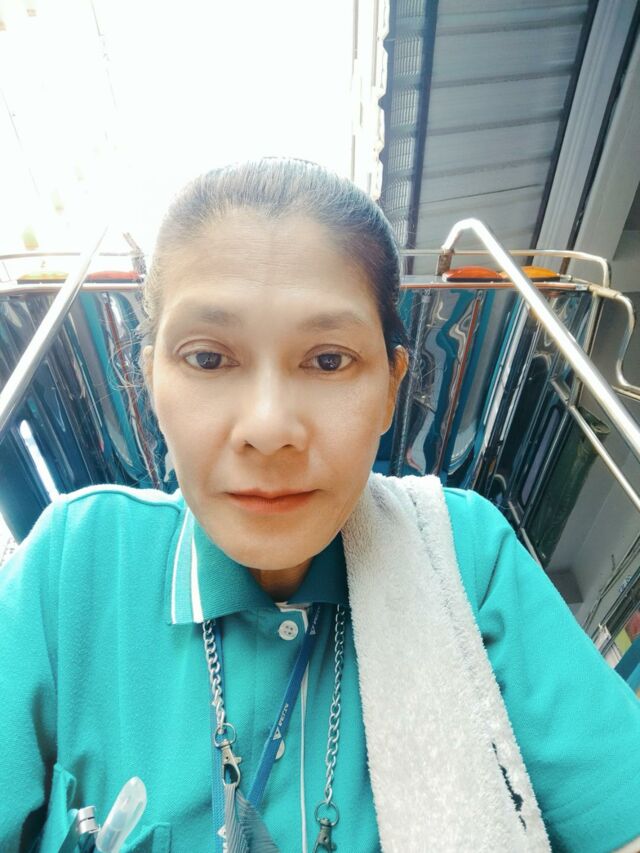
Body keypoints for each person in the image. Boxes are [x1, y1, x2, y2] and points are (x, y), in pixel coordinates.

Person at [1, 158, 640, 853]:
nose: (269, 427)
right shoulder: (71, 567)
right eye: (209, 358)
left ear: (391, 387)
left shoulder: (462, 559)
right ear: (151, 378)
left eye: (329, 360)